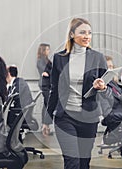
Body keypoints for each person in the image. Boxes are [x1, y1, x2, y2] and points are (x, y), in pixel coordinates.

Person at [41, 18, 107, 169]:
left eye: (89, 33)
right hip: (65, 117)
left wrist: (103, 88)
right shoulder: (59, 58)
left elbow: (109, 91)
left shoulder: (98, 58)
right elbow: (54, 90)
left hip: (88, 118)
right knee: (72, 162)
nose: (87, 36)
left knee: (84, 162)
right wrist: (47, 119)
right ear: (72, 34)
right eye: (82, 32)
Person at [36, 43, 53, 123]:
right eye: (47, 49)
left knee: (47, 103)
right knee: (48, 102)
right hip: (44, 84)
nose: (48, 51)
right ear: (43, 51)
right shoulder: (40, 61)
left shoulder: (47, 61)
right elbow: (45, 73)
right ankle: (45, 123)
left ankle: (46, 123)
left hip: (49, 84)